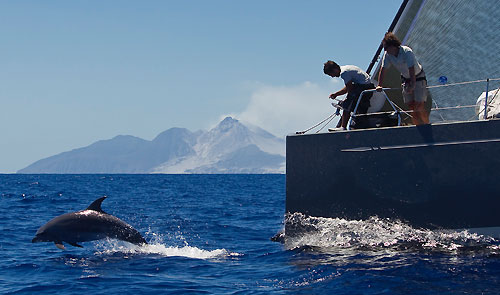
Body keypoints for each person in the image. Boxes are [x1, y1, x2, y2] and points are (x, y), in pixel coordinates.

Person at [376, 32, 429, 125]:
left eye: (386, 47)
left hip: (418, 77)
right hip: (406, 79)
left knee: (419, 106)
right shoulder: (387, 55)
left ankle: (426, 125)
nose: (385, 50)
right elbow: (383, 69)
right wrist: (379, 85)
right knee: (411, 106)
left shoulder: (406, 51)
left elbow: (411, 69)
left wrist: (413, 84)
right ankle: (418, 127)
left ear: (393, 45)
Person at [323, 60, 375, 130]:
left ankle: (343, 127)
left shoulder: (344, 73)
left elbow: (349, 89)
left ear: (335, 69)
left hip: (364, 88)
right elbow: (349, 87)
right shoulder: (346, 68)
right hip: (365, 87)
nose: (333, 76)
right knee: (353, 105)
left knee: (347, 104)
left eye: (331, 74)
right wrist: (336, 94)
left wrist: (346, 101)